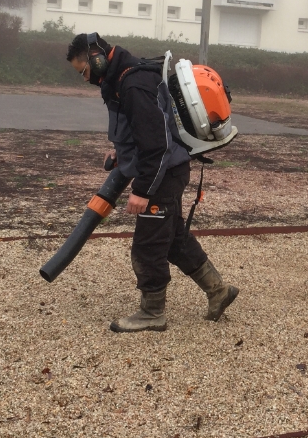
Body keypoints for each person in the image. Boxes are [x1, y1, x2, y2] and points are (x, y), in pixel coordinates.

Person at [66, 32, 238, 332]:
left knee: (147, 247)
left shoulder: (133, 84)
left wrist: (142, 191)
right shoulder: (124, 79)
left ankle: (152, 312)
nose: (85, 78)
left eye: (84, 71)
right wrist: (122, 154)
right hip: (169, 171)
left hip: (163, 176)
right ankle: (218, 291)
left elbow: (157, 144)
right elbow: (142, 130)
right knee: (173, 240)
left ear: (97, 59)